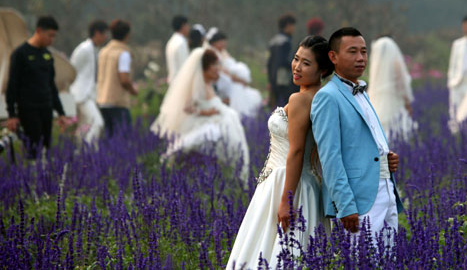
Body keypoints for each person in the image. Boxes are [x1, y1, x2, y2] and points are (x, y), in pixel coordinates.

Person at [227, 36, 333, 269]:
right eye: (296, 59)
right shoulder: (323, 99)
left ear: (322, 69)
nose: (297, 67)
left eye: (306, 63)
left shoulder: (299, 99)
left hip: (286, 182)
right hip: (305, 185)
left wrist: (286, 201)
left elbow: (296, 151)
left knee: (275, 251)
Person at [311, 27, 403, 238]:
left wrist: (385, 159)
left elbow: (363, 142)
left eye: (363, 51)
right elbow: (330, 157)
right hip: (358, 199)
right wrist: (345, 205)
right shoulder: (328, 97)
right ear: (333, 56)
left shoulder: (362, 92)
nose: (360, 58)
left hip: (385, 190)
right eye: (352, 52)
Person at [151, 48, 250, 181]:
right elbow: (187, 107)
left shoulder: (208, 84)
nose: (217, 68)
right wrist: (206, 112)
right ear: (205, 67)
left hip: (222, 122)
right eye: (214, 65)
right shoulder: (198, 85)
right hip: (208, 124)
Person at [5, 15, 69, 159]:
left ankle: (43, 178)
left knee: (46, 147)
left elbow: (51, 86)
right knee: (33, 148)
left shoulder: (47, 55)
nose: (51, 40)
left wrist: (61, 112)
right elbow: (12, 85)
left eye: (54, 37)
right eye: (49, 35)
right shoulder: (20, 54)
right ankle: (32, 176)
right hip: (28, 108)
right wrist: (12, 115)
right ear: (39, 31)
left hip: (46, 108)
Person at [369, 36, 418, 141]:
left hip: (376, 101)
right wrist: (407, 102)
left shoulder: (376, 66)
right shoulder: (395, 63)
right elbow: (402, 85)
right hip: (393, 102)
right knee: (398, 132)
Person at [206, 28, 262, 117]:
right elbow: (222, 71)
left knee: (249, 93)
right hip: (223, 81)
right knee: (238, 89)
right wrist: (239, 80)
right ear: (214, 43)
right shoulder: (213, 53)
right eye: (221, 42)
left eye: (224, 41)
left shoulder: (223, 52)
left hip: (229, 79)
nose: (223, 44)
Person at [96, 19, 138, 136]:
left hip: (102, 101)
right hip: (117, 102)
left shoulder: (103, 51)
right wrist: (133, 90)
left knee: (109, 139)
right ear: (127, 34)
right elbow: (124, 79)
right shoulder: (123, 53)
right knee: (123, 138)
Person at [69, 20, 108, 143]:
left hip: (89, 94)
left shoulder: (94, 50)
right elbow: (72, 70)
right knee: (97, 123)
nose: (106, 37)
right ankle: (90, 152)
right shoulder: (84, 49)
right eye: (104, 34)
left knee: (83, 127)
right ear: (97, 33)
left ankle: (80, 155)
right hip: (81, 95)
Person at [267, 13, 298, 108]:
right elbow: (284, 61)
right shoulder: (285, 42)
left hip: (273, 79)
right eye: (293, 25)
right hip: (284, 80)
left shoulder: (273, 41)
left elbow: (269, 63)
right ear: (288, 25)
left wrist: (270, 80)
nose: (294, 28)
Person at [166, 15, 190, 83]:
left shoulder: (171, 41)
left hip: (173, 81)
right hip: (180, 82)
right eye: (187, 25)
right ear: (183, 26)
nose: (188, 28)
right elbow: (184, 66)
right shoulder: (181, 42)